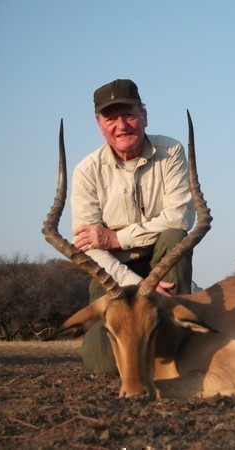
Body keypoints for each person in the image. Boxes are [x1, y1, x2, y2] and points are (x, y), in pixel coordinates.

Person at [71, 79, 195, 373]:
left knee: (175, 236)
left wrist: (116, 238)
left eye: (129, 115)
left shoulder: (171, 151)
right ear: (99, 125)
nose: (121, 125)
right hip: (113, 274)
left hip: (160, 264)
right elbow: (91, 249)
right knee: (104, 365)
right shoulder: (86, 172)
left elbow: (179, 218)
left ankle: (172, 347)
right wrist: (138, 285)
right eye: (110, 118)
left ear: (145, 116)